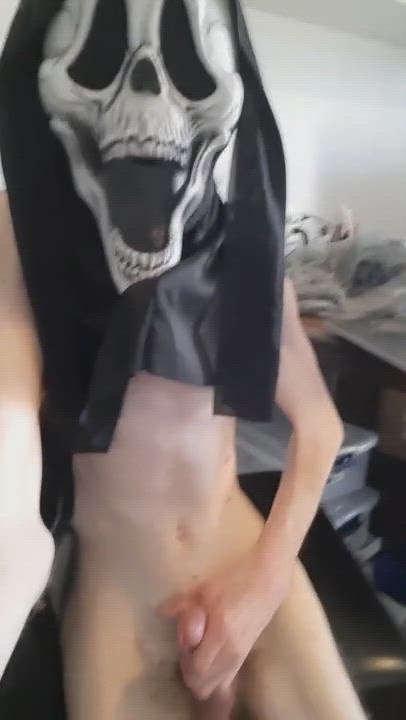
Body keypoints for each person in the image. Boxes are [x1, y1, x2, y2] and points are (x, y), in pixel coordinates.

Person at [0, 1, 368, 718]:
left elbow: (320, 429)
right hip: (119, 589)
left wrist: (264, 582)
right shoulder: (26, 246)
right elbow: (9, 431)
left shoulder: (247, 256)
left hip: (241, 558)